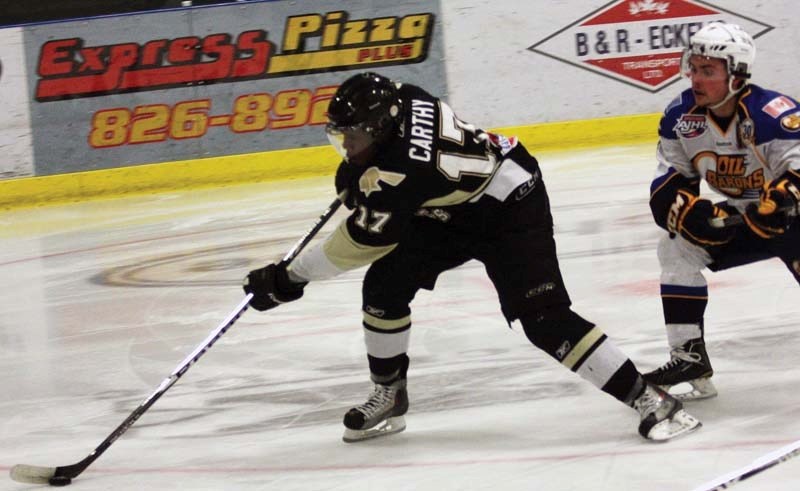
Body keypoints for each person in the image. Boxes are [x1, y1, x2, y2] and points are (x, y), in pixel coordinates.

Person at [243, 71, 701, 442]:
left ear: (381, 129)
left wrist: (289, 279)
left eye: (354, 137)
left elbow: (360, 243)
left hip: (509, 207)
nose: (346, 146)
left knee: (543, 320)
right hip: (451, 204)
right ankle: (390, 394)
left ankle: (650, 398)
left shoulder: (405, 173)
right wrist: (360, 173)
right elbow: (384, 176)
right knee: (385, 288)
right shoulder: (405, 96)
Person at [644, 22, 800, 400]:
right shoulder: (681, 117)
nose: (695, 78)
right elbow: (667, 182)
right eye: (693, 67)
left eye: (708, 70)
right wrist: (689, 212)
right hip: (743, 214)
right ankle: (690, 357)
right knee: (676, 248)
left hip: (792, 220)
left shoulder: (772, 114)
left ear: (736, 76)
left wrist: (782, 200)